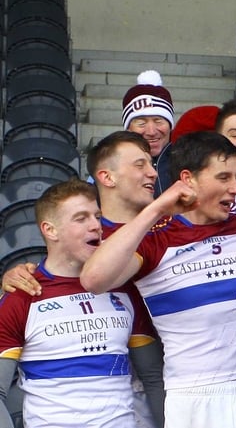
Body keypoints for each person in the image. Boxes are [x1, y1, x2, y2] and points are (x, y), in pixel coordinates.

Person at [80, 132, 236, 428]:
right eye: (224, 177)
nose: (235, 188)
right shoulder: (156, 236)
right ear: (188, 179)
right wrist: (156, 208)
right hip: (189, 393)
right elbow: (93, 279)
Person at [0, 180, 158, 427]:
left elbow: (153, 378)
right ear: (50, 230)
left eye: (97, 216)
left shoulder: (122, 288)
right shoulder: (21, 296)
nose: (96, 226)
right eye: (81, 218)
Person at [122, 70, 175, 197]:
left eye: (158, 121)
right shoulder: (112, 164)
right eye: (141, 123)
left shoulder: (189, 161)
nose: (151, 132)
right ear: (128, 128)